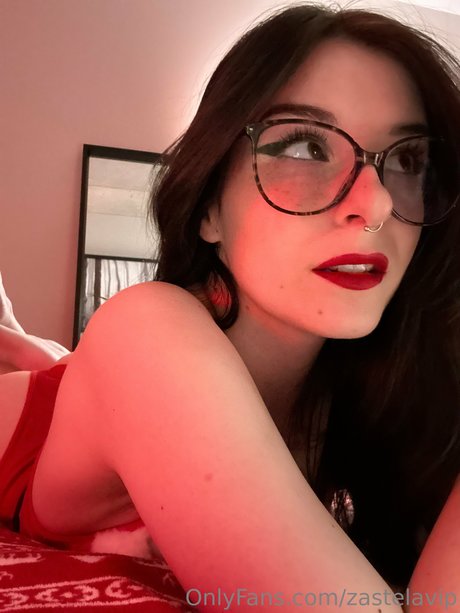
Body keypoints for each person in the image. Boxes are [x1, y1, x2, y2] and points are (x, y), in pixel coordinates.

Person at [1, 4, 459, 610]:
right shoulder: (147, 330)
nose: (375, 206)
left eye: (406, 160)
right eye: (305, 147)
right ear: (209, 209)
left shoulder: (385, 390)